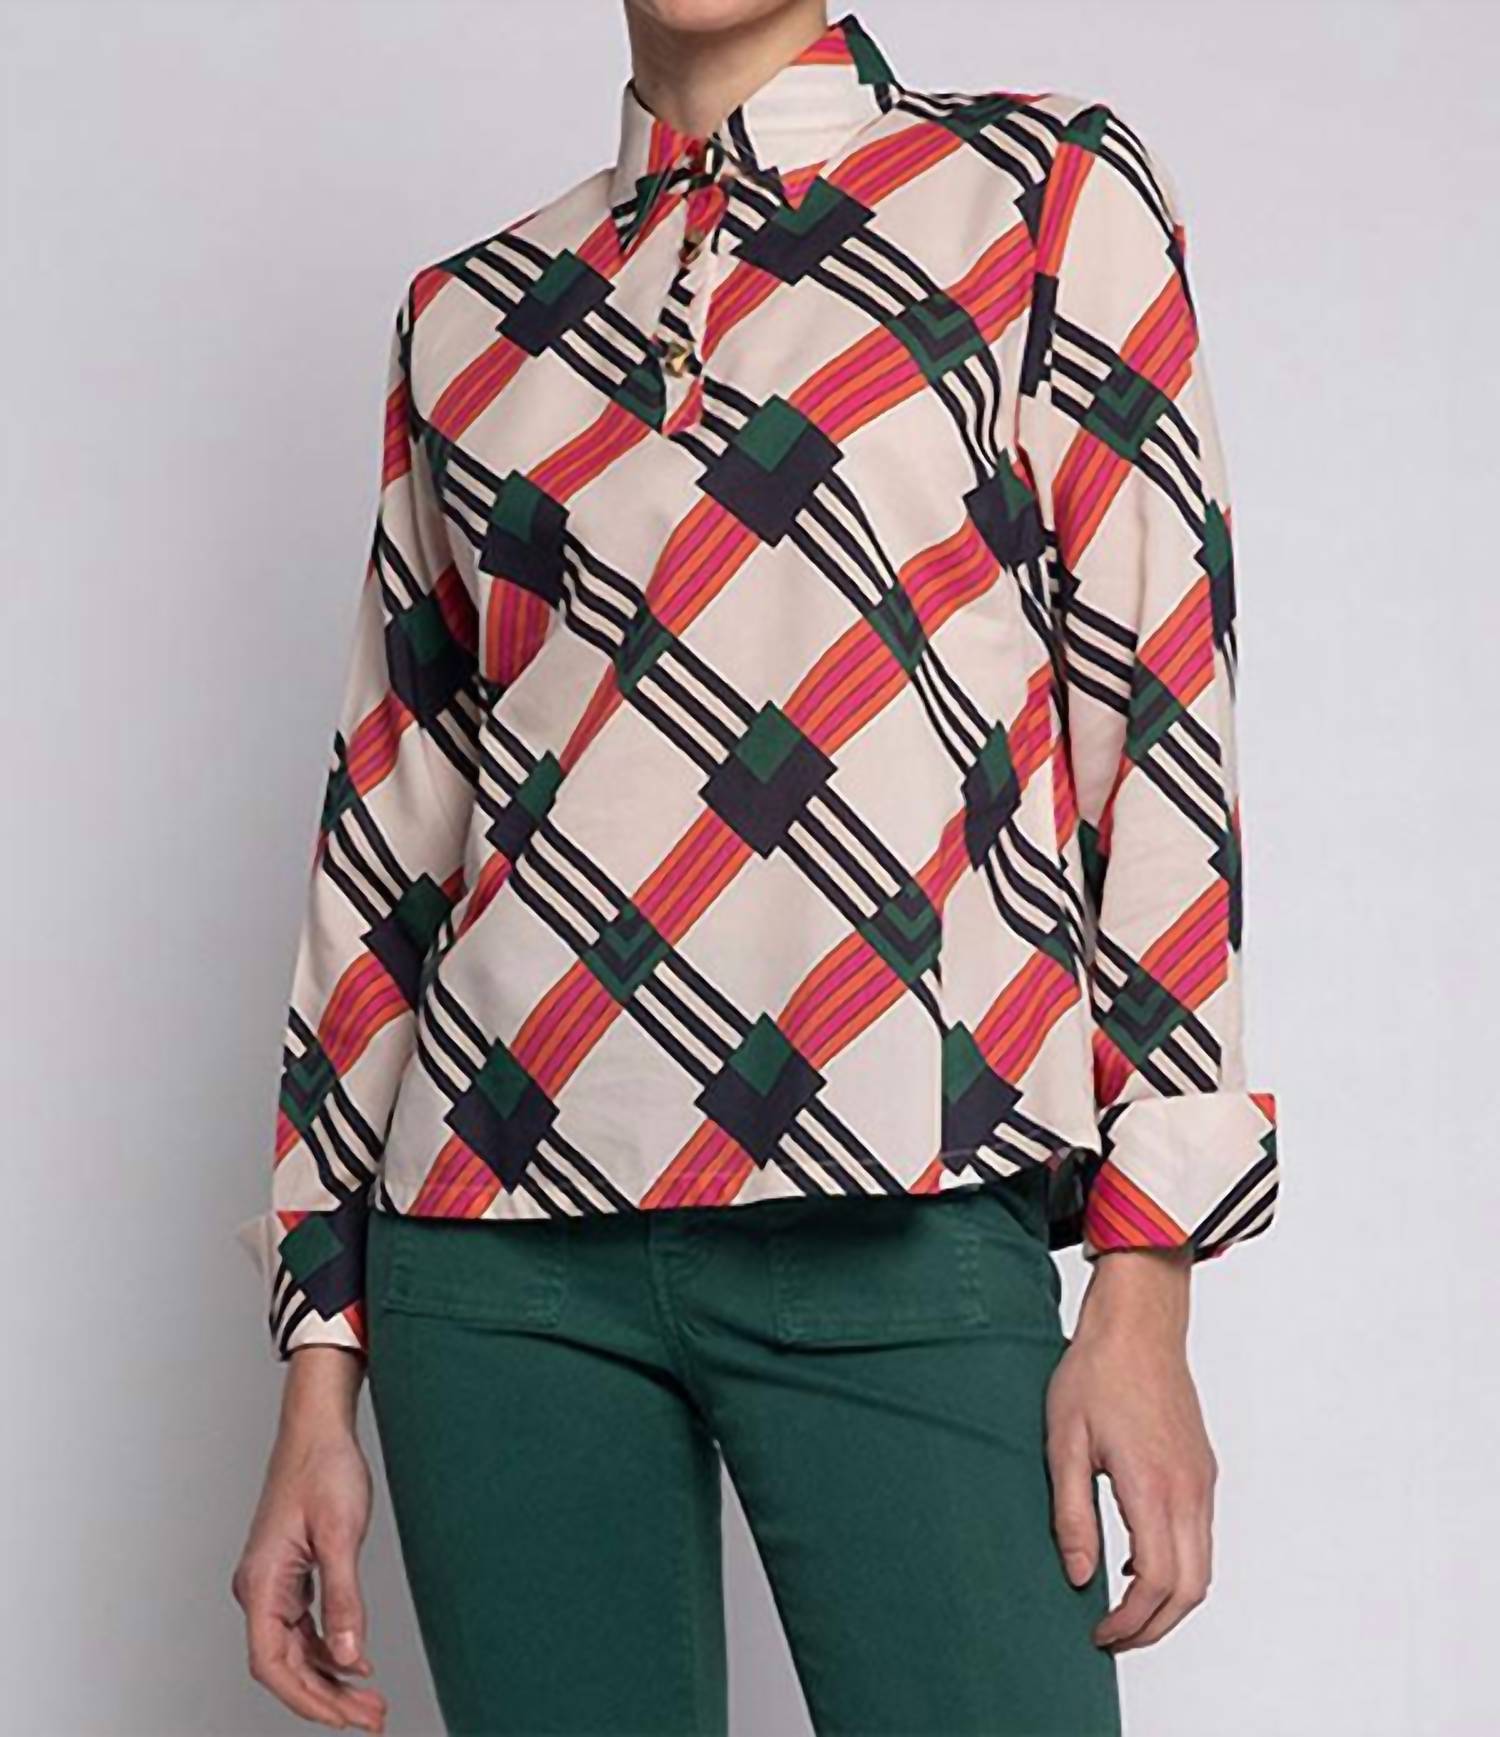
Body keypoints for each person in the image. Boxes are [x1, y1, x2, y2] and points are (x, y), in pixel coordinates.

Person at [232, 3, 1279, 1732]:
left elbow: (1156, 725)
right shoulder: (467, 312)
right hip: (494, 1258)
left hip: (905, 1199)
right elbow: (388, 837)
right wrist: (317, 1364)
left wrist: (1147, 1278)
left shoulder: (1036, 194)